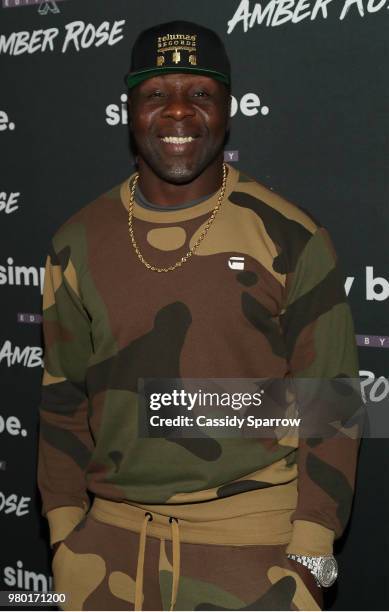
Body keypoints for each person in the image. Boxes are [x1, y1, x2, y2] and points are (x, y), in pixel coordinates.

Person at [37, 20, 361, 612]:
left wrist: (311, 556)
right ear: (130, 109)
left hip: (254, 554)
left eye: (201, 93)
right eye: (157, 93)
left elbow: (332, 401)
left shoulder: (292, 238)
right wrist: (64, 535)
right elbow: (63, 398)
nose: (179, 112)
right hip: (103, 557)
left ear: (227, 109)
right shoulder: (75, 241)